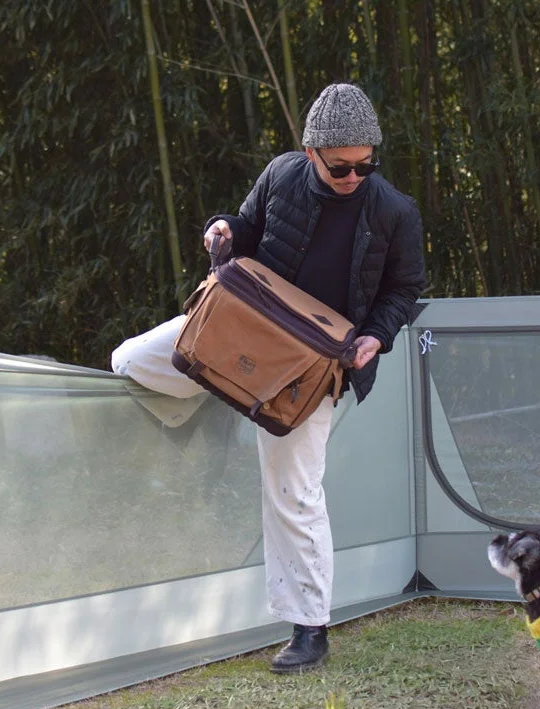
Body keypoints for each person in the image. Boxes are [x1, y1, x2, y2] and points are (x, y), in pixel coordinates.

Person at [111, 82, 425, 673]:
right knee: (130, 361)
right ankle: (212, 406)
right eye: (341, 166)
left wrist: (374, 337)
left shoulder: (394, 211)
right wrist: (222, 229)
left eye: (367, 164)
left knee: (293, 493)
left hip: (313, 367)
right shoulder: (281, 175)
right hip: (239, 329)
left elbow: (404, 289)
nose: (355, 176)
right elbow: (246, 228)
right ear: (311, 153)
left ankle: (310, 629)